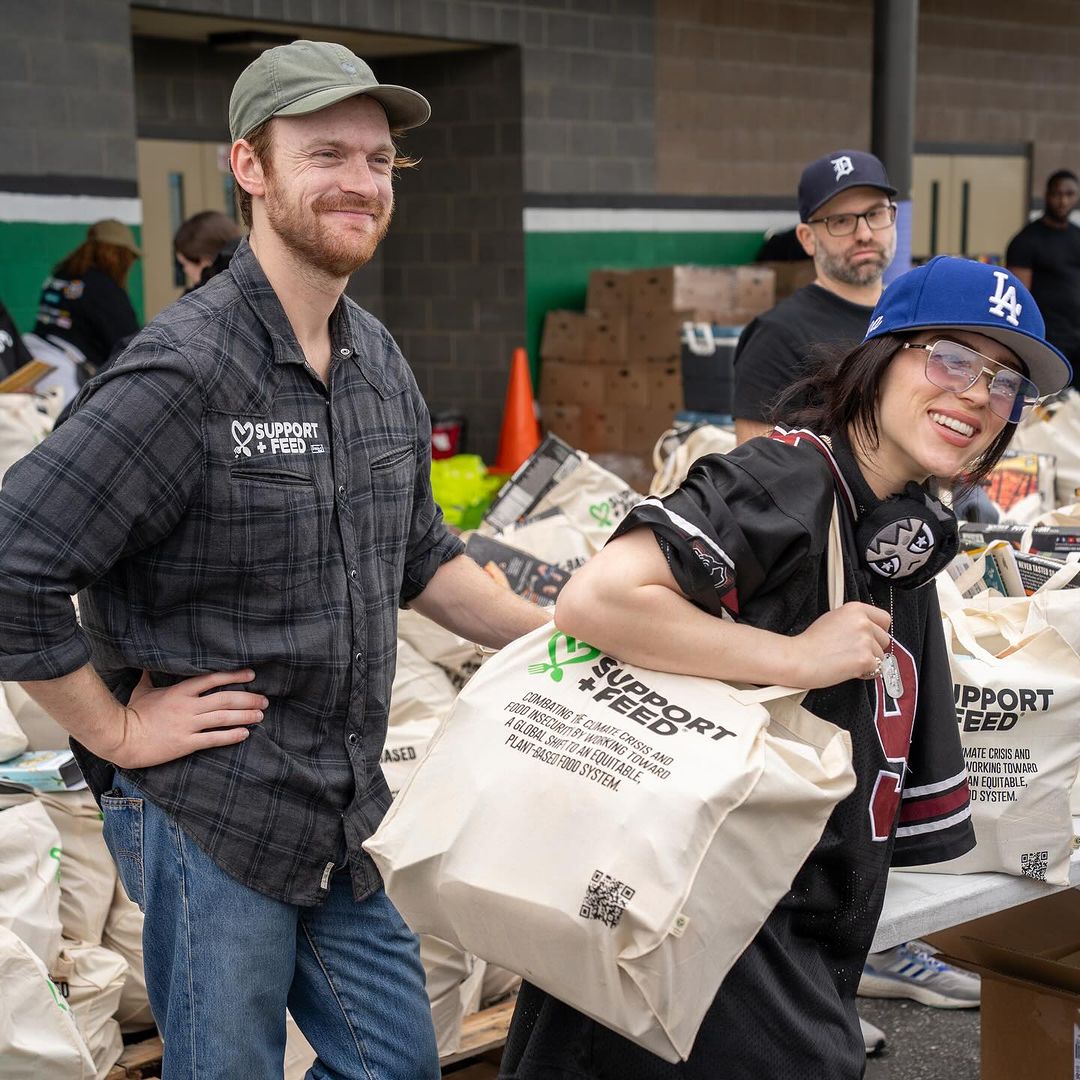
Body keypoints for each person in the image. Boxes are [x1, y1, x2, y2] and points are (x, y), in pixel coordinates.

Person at [0, 39, 549, 1080]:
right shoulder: (181, 373)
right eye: (327, 154)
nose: (360, 182)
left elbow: (421, 557)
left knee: (398, 1065)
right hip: (210, 815)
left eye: (380, 161)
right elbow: (11, 568)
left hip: (339, 809)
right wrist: (116, 729)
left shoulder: (377, 360)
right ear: (249, 168)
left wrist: (567, 633)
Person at [498, 256, 1071, 1080]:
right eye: (951, 357)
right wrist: (795, 656)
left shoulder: (898, 524)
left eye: (1006, 380)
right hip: (686, 953)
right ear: (881, 356)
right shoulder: (784, 478)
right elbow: (596, 601)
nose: (979, 394)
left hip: (778, 950)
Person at [733, 149, 897, 444]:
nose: (864, 233)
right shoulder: (777, 335)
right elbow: (755, 472)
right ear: (807, 239)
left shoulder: (913, 316)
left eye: (874, 214)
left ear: (893, 217)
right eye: (841, 221)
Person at [33, 218, 141, 381]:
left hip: (33, 363)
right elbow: (131, 348)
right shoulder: (104, 288)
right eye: (130, 257)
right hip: (67, 379)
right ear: (119, 255)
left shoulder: (61, 275)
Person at [1006, 169, 1080, 388]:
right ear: (1047, 195)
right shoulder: (1027, 240)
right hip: (1048, 339)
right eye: (1057, 194)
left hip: (1077, 336)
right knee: (1048, 404)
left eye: (1069, 194)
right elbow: (1019, 297)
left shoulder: (1077, 236)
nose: (1063, 200)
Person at [173, 209, 244, 292]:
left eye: (184, 264)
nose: (185, 270)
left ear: (206, 262)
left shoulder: (200, 300)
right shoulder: (254, 274)